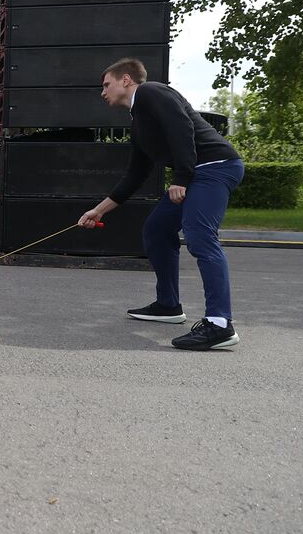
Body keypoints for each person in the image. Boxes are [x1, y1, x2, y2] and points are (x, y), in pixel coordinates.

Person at [78, 58, 245, 350]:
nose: (103, 92)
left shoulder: (153, 92)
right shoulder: (139, 121)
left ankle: (220, 324)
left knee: (200, 237)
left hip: (216, 166)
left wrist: (181, 176)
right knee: (156, 229)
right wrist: (98, 210)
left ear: (126, 80)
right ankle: (168, 306)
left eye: (106, 84)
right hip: (196, 173)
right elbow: (135, 176)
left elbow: (183, 128)